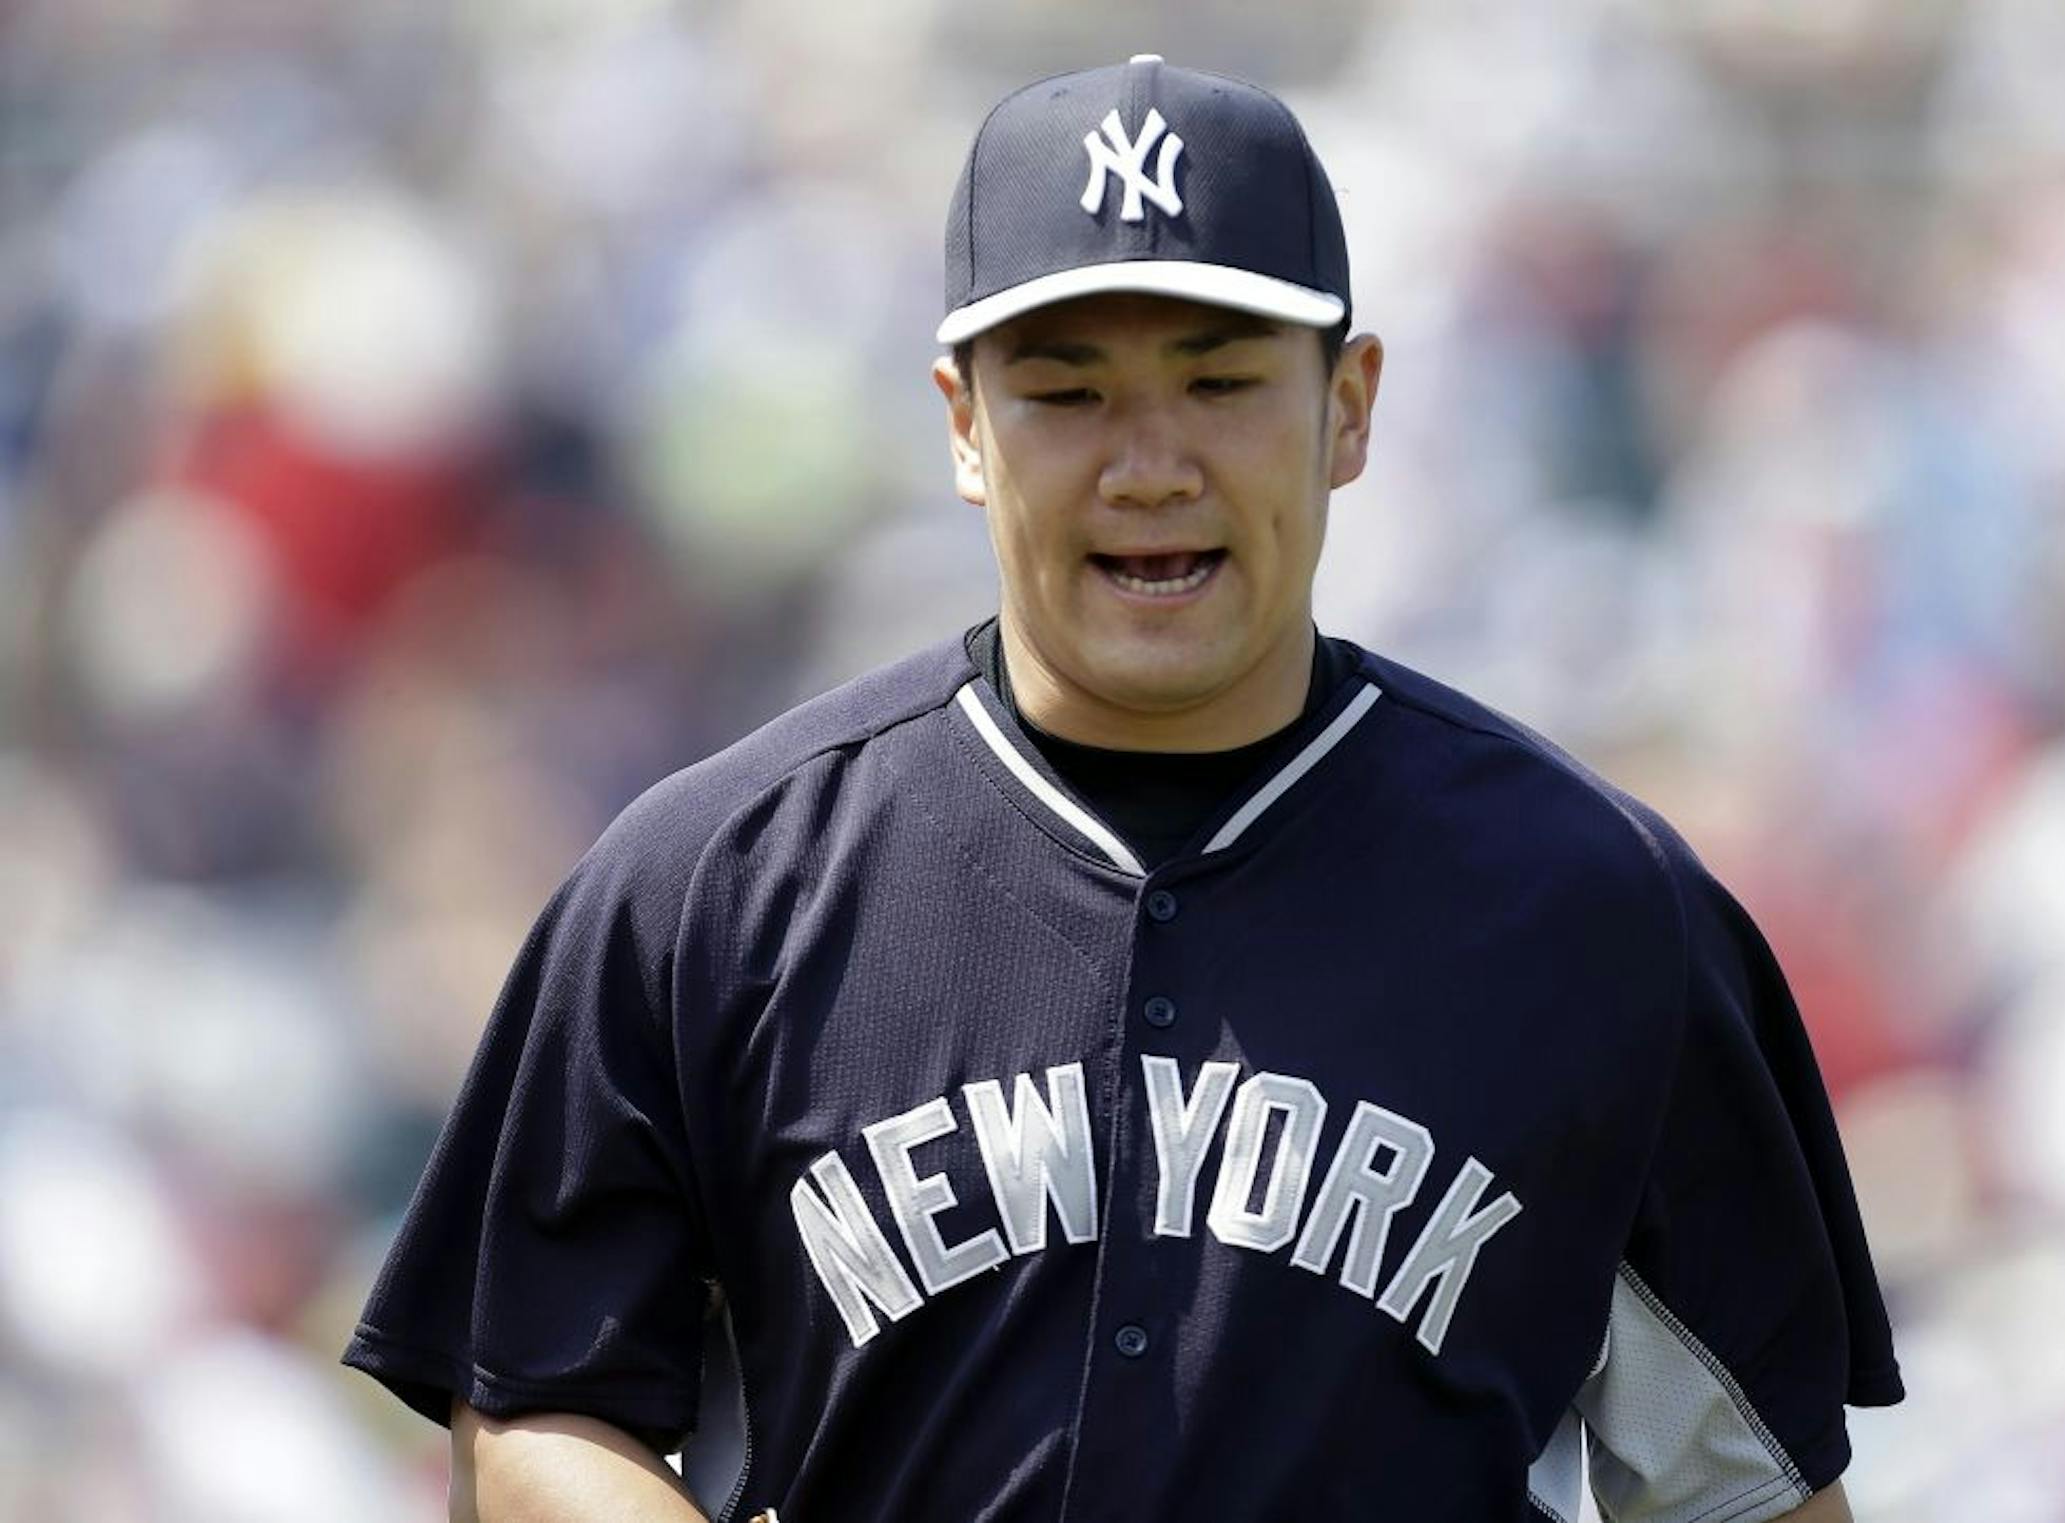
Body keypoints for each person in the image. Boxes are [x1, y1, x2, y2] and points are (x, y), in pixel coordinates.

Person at [345, 55, 1903, 1522]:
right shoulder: (709, 889)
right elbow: (542, 1406)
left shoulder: (1600, 913)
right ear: (964, 425)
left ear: (1348, 408)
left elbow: (1751, 1488)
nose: (1148, 464)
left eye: (1222, 382)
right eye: (1067, 392)